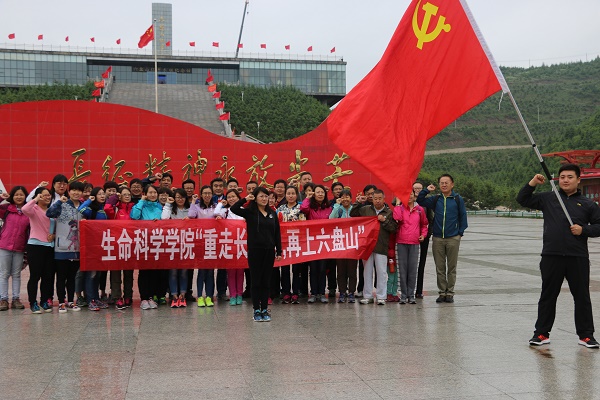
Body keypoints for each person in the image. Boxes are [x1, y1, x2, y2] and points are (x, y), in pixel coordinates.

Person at [517, 165, 600, 348]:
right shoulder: (548, 198)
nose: (565, 180)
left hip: (577, 256)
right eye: (562, 177)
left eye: (570, 177)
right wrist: (533, 183)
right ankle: (541, 334)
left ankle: (586, 336)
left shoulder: (588, 204)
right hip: (551, 255)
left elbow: (599, 226)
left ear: (578, 180)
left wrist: (583, 230)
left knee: (582, 297)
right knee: (548, 295)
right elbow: (522, 199)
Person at [230, 187, 282, 322]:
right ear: (255, 198)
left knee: (266, 281)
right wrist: (245, 199)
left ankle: (264, 308)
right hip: (255, 251)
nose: (264, 199)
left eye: (266, 196)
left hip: (269, 251)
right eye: (261, 196)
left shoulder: (272, 213)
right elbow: (234, 209)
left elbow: (277, 233)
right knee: (256, 281)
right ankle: (256, 310)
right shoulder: (250, 212)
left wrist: (279, 250)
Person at [417, 174, 467, 303]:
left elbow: (463, 216)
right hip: (438, 238)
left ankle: (450, 293)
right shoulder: (436, 199)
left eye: (446, 182)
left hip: (453, 238)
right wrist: (426, 190)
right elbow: (420, 200)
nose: (444, 185)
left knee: (451, 267)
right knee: (440, 267)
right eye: (441, 183)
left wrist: (459, 233)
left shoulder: (457, 199)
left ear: (452, 184)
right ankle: (442, 292)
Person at [351, 189, 397, 305]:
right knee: (367, 271)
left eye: (379, 198)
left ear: (384, 199)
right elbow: (353, 214)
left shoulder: (388, 212)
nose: (377, 201)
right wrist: (358, 202)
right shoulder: (366, 209)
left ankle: (381, 296)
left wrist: (384, 220)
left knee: (381, 272)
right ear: (372, 199)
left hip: (381, 246)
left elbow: (393, 228)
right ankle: (368, 296)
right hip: (367, 245)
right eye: (375, 198)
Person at [22, 187, 59, 314]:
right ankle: (33, 302)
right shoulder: (34, 209)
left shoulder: (52, 210)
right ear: (38, 196)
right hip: (36, 246)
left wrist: (54, 235)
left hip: (49, 246)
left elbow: (55, 228)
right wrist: (36, 199)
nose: (47, 197)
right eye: (44, 195)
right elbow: (24, 209)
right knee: (35, 276)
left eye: (49, 195)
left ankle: (44, 301)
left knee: (47, 276)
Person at [188, 185, 223, 307]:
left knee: (210, 271)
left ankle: (209, 296)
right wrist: (193, 202)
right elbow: (191, 215)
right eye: (205, 193)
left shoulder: (216, 207)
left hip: (212, 242)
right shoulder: (197, 207)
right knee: (201, 271)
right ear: (201, 195)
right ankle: (199, 296)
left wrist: (219, 216)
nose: (207, 195)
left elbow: (221, 216)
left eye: (209, 193)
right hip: (200, 243)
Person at [130, 184, 164, 310]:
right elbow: (134, 216)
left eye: (155, 192)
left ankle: (151, 297)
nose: (153, 195)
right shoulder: (140, 205)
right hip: (143, 242)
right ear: (145, 194)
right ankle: (143, 298)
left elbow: (165, 220)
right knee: (144, 272)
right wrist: (141, 201)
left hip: (156, 242)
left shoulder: (160, 206)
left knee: (154, 271)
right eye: (150, 192)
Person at [393, 191, 428, 304]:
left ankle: (411, 295)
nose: (409, 197)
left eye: (411, 194)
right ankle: (403, 295)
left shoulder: (420, 210)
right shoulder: (400, 209)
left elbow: (424, 224)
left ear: (414, 196)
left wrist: (423, 235)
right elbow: (397, 218)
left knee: (412, 270)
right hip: (401, 242)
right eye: (406, 194)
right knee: (402, 270)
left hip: (414, 243)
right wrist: (398, 204)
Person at [104, 186, 135, 310]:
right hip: (116, 244)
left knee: (128, 273)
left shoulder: (134, 208)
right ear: (120, 196)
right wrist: (114, 197)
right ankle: (117, 297)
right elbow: (107, 208)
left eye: (128, 194)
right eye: (124, 194)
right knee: (115, 273)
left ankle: (128, 296)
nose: (127, 196)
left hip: (131, 244)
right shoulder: (115, 208)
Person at [300, 184, 332, 303]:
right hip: (312, 242)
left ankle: (322, 293)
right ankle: (313, 293)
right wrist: (308, 198)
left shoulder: (329, 207)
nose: (320, 194)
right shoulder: (310, 207)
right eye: (317, 192)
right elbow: (303, 209)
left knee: (323, 269)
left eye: (322, 192)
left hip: (324, 242)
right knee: (313, 269)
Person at [78, 187, 108, 311]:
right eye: (99, 194)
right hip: (91, 246)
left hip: (100, 245)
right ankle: (91, 300)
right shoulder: (90, 210)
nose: (102, 196)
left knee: (97, 274)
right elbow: (80, 209)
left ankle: (96, 298)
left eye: (103, 194)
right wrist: (89, 200)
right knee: (91, 273)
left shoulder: (102, 210)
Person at [0, 186, 30, 311]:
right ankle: (3, 299)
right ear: (12, 196)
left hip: (20, 247)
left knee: (16, 274)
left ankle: (16, 299)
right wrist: (1, 198)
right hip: (4, 245)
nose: (19, 197)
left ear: (25, 196)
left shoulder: (28, 211)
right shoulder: (6, 209)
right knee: (4, 274)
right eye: (16, 194)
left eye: (21, 194)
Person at [162, 188, 190, 308]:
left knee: (184, 272)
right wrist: (168, 204)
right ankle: (174, 296)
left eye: (182, 197)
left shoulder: (190, 209)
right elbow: (164, 218)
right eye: (177, 197)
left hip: (186, 244)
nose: (180, 199)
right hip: (172, 244)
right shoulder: (171, 209)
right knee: (173, 272)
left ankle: (182, 295)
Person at [329, 189, 357, 303]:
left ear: (351, 198)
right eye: (343, 197)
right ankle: (342, 292)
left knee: (352, 271)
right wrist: (336, 206)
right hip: (340, 243)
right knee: (340, 270)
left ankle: (351, 292)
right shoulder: (338, 209)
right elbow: (330, 219)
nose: (345, 199)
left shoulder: (354, 209)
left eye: (347, 197)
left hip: (352, 244)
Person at [276, 185, 303, 304]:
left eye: (293, 193)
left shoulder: (301, 208)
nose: (291, 196)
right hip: (284, 242)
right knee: (285, 269)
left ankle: (296, 292)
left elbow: (305, 224)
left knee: (296, 270)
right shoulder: (280, 208)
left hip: (297, 241)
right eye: (288, 193)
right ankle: (286, 292)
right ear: (285, 195)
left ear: (296, 195)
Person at [223, 189, 245, 306]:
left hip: (242, 245)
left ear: (238, 198)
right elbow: (216, 214)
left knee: (240, 271)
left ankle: (239, 294)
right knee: (231, 272)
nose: (231, 199)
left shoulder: (244, 211)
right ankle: (232, 295)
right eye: (229, 197)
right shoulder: (225, 211)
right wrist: (221, 205)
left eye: (233, 196)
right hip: (229, 244)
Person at [412, 181, 434, 299]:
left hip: (423, 237)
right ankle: (408, 290)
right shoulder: (408, 201)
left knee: (421, 263)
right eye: (415, 188)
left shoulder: (426, 203)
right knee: (410, 264)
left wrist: (427, 234)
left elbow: (431, 219)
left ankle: (419, 290)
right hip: (409, 237)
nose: (417, 190)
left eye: (420, 188)